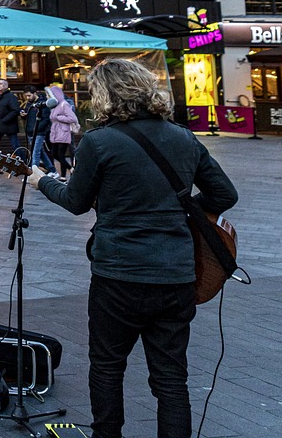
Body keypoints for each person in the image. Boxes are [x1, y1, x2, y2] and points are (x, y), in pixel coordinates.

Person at [29, 58, 238, 438]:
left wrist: (41, 181)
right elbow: (225, 193)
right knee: (171, 378)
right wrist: (184, 210)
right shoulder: (183, 137)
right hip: (175, 275)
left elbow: (76, 201)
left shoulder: (98, 141)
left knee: (108, 366)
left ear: (105, 95)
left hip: (119, 275)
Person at [46, 83, 79, 177]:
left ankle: (64, 176)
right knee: (54, 154)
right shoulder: (54, 106)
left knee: (60, 154)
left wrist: (59, 117)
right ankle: (70, 169)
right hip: (55, 132)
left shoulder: (64, 104)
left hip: (63, 132)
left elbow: (73, 118)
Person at [24, 88, 56, 173]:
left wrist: (37, 128)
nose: (27, 98)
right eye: (26, 96)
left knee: (35, 152)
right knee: (40, 152)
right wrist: (23, 115)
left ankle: (34, 172)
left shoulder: (43, 104)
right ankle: (52, 170)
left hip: (39, 132)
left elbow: (46, 119)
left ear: (35, 93)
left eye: (29, 95)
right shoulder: (30, 104)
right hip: (31, 131)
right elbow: (29, 117)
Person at [0, 78, 21, 157]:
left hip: (8, 125)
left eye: (1, 84)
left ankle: (24, 161)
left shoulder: (10, 97)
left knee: (15, 145)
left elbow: (15, 110)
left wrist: (5, 120)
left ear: (6, 86)